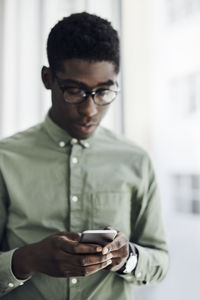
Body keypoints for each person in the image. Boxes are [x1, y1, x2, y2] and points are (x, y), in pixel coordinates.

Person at [0, 12, 169, 300]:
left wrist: (127, 258)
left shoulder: (136, 161)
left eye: (103, 91)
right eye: (75, 91)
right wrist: (29, 260)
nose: (90, 110)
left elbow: (160, 261)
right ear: (48, 78)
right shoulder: (5, 159)